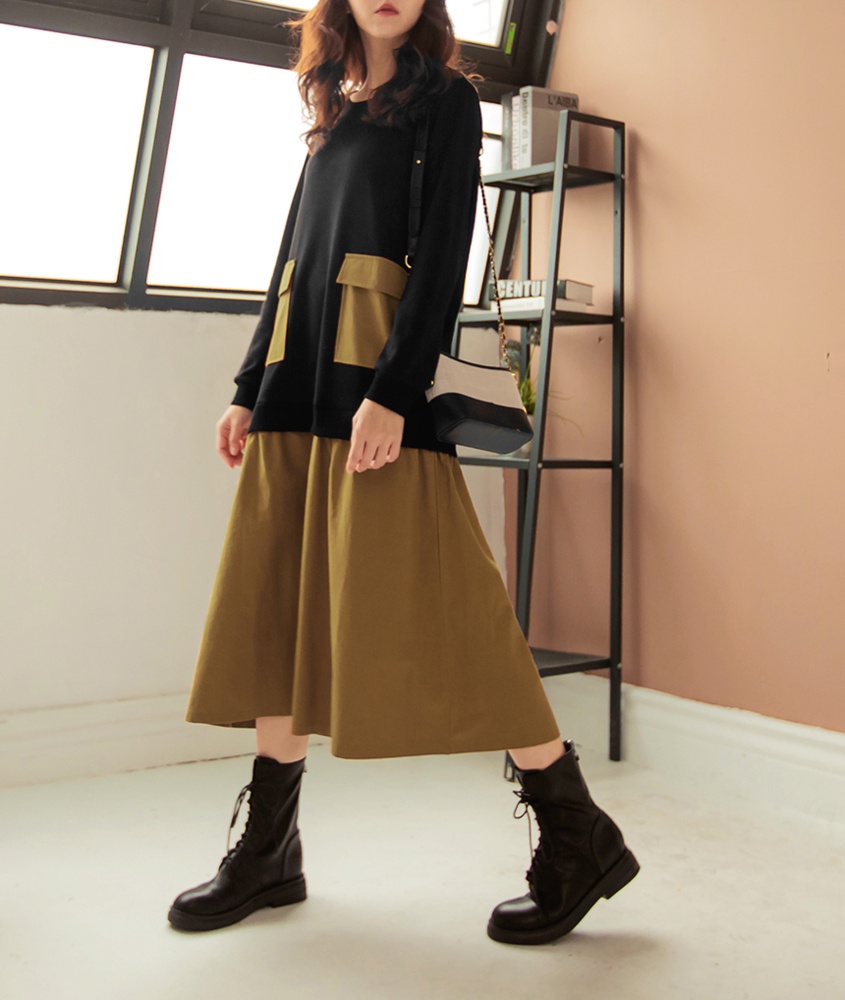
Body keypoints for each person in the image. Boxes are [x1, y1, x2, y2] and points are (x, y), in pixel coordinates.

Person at [167, 0, 638, 946]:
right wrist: (248, 385)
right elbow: (292, 258)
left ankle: (577, 831)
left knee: (457, 603)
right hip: (297, 383)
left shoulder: (445, 100)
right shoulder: (334, 108)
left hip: (373, 384)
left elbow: (445, 255)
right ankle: (269, 851)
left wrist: (392, 390)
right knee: (280, 599)